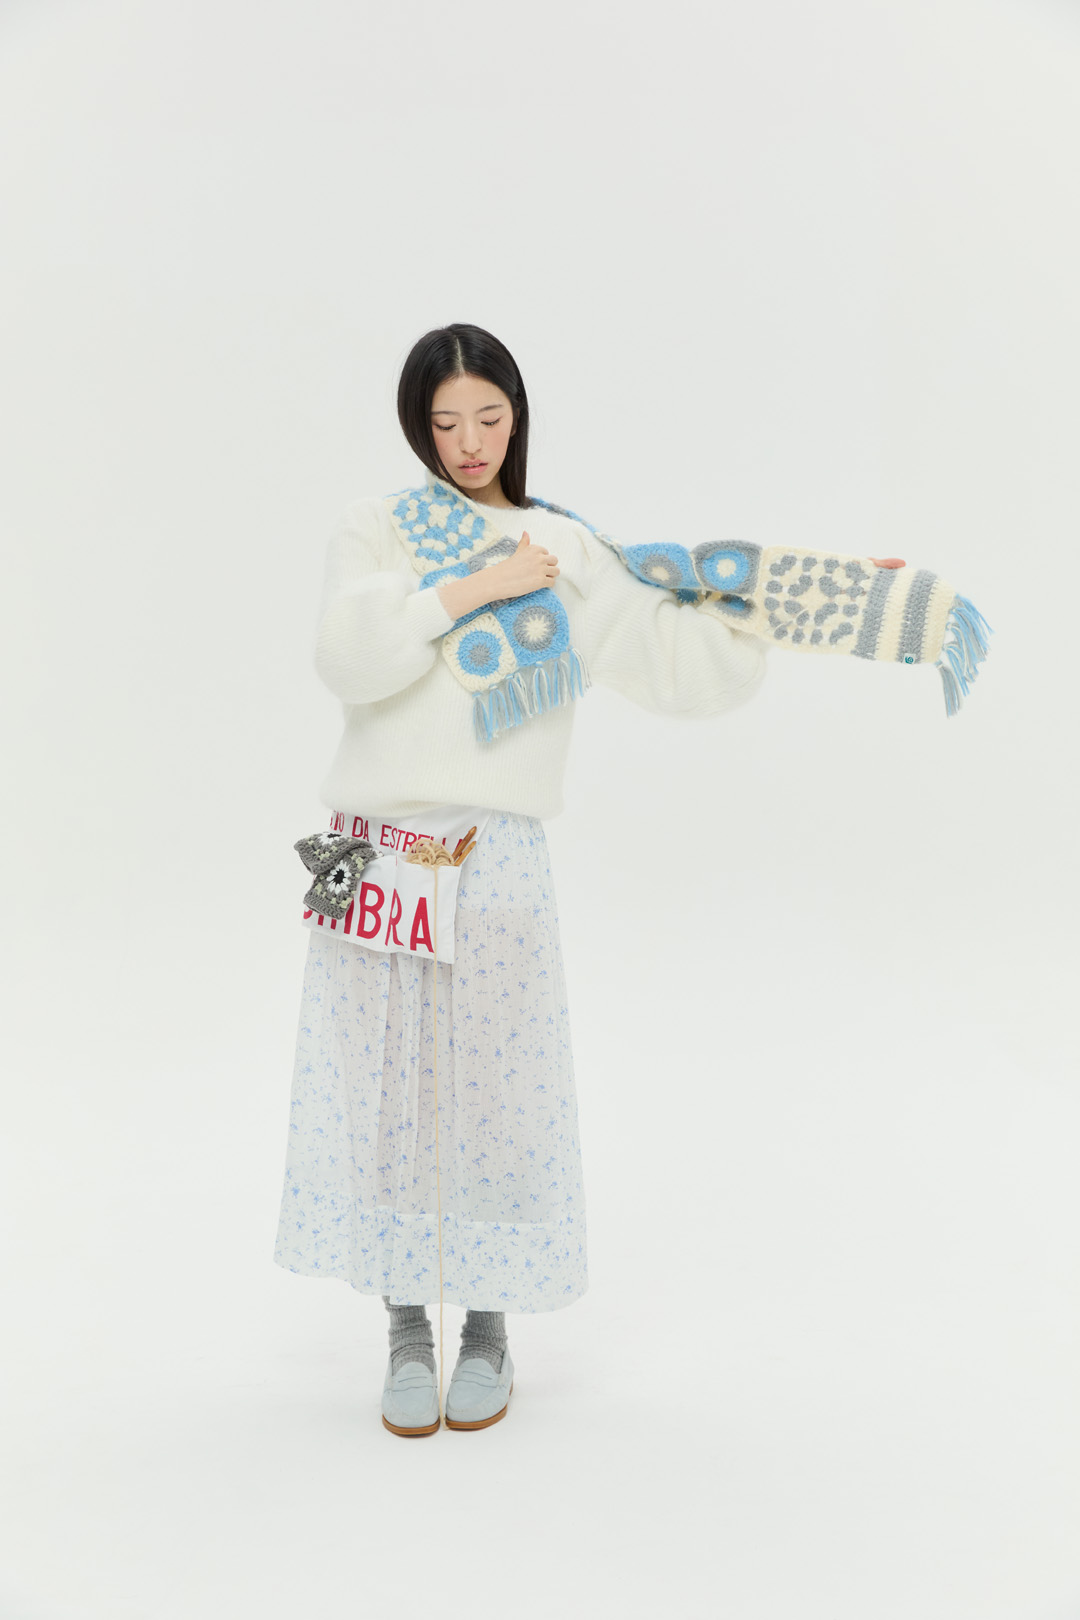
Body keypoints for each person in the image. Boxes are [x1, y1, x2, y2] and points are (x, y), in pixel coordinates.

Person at [273, 322, 771, 1437]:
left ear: (518, 415)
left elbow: (672, 664)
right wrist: (471, 589)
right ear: (418, 427)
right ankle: (408, 1327)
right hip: (373, 848)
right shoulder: (376, 527)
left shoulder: (566, 548)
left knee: (495, 1095)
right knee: (391, 1093)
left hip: (492, 850)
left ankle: (489, 1328)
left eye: (488, 417)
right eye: (445, 422)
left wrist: (768, 610)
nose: (468, 442)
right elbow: (347, 661)